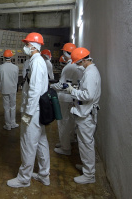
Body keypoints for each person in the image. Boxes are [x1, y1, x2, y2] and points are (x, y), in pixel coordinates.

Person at [7, 32, 50, 188]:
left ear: (33, 46)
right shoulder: (36, 61)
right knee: (41, 142)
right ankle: (44, 175)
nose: (25, 47)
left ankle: (24, 178)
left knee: (27, 143)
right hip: (37, 111)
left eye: (26, 44)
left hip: (33, 112)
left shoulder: (37, 62)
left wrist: (27, 115)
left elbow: (34, 91)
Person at [65, 47, 101, 184]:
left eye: (78, 63)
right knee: (84, 143)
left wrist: (72, 91)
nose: (78, 66)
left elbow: (88, 95)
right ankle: (87, 167)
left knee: (86, 144)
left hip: (86, 114)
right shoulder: (89, 71)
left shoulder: (91, 73)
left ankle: (89, 175)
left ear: (84, 60)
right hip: (85, 113)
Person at [51, 43, 82, 155]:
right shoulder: (80, 66)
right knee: (71, 120)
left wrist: (51, 86)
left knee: (63, 121)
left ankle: (65, 147)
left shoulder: (69, 67)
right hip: (75, 97)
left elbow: (61, 84)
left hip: (65, 97)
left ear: (66, 53)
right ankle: (69, 140)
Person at [0, 50, 19, 130]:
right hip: (13, 89)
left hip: (4, 89)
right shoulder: (15, 67)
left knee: (6, 107)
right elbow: (16, 79)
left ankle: (8, 125)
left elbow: (1, 79)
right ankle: (13, 123)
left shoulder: (1, 67)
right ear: (11, 57)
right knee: (13, 106)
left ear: (4, 57)